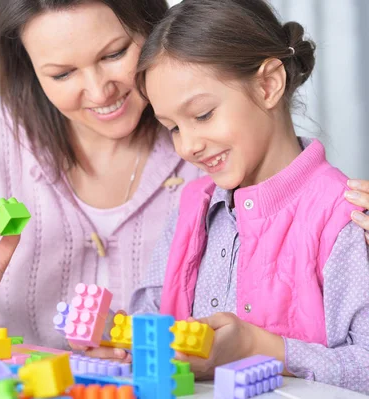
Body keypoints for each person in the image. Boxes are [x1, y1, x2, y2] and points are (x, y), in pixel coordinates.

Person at [0, 0, 369, 363]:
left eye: (113, 54)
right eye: (62, 73)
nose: (98, 90)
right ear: (32, 73)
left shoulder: (217, 169)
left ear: (150, 32)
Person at [126, 0, 369, 393]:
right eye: (171, 127)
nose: (187, 146)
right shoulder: (193, 206)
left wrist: (262, 348)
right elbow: (149, 318)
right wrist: (116, 343)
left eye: (202, 115)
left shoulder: (344, 216)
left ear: (267, 84)